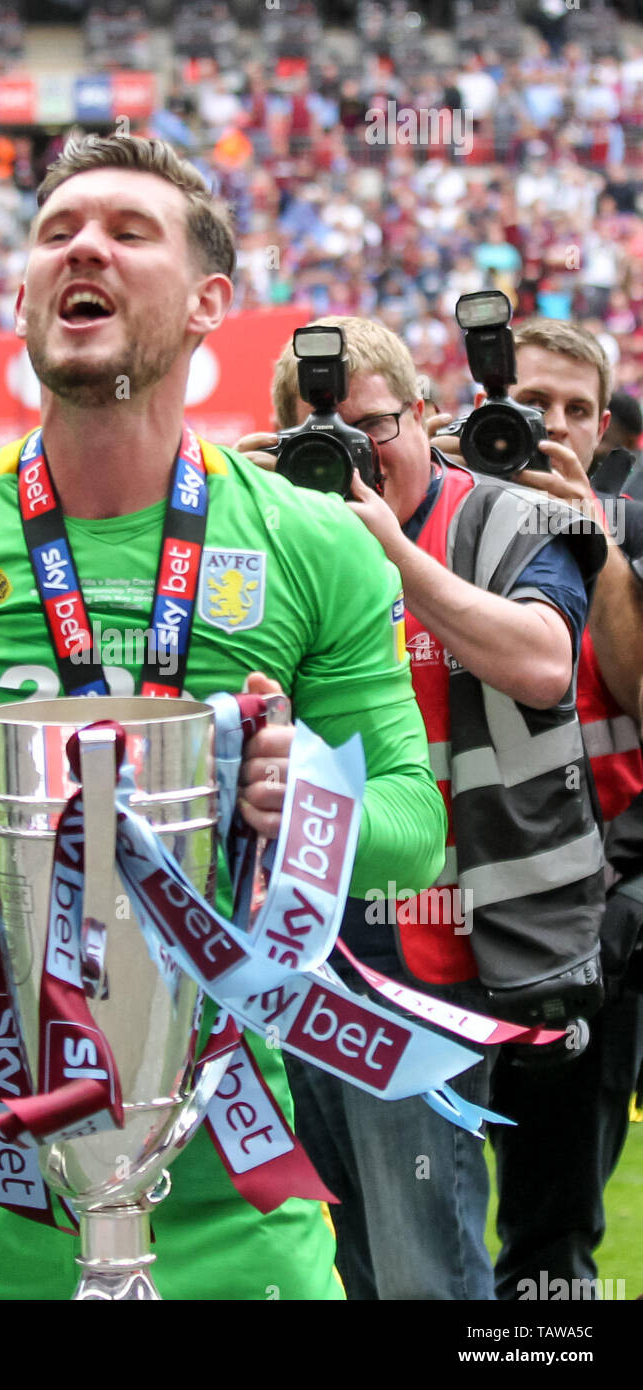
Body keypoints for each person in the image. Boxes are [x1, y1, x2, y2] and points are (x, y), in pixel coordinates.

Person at [0, 133, 448, 1301]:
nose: (83, 245)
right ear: (25, 290)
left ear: (206, 304)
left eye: (129, 233)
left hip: (230, 1188)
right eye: (56, 231)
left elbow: (410, 827)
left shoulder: (316, 544)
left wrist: (309, 805)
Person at [250, 315, 605, 1300]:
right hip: (310, 939)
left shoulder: (511, 515)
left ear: (423, 414)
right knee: (349, 1256)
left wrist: (393, 556)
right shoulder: (284, 540)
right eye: (330, 439)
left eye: (377, 427)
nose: (360, 459)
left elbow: (542, 665)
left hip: (455, 937)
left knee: (423, 1262)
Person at [467, 319, 643, 1300]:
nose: (558, 426)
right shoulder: (440, 517)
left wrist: (598, 547)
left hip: (605, 907)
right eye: (533, 405)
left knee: (552, 1218)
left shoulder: (630, 522)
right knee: (420, 1188)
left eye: (580, 410)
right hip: (456, 903)